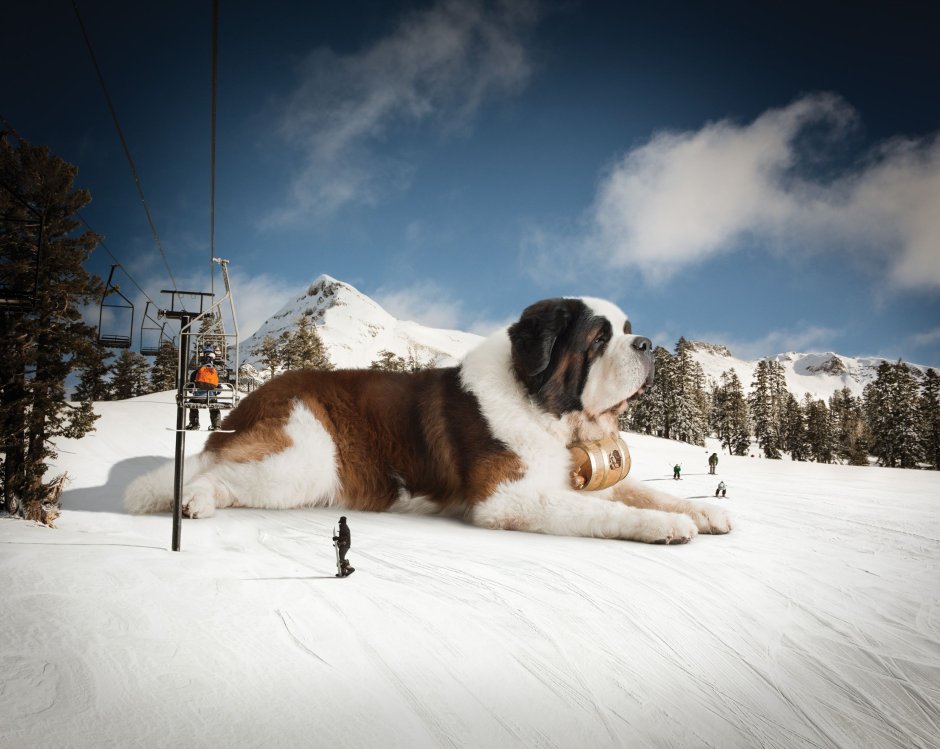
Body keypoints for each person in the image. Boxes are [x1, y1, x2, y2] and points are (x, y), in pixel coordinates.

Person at [187, 348, 222, 430]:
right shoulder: (214, 372)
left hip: (198, 398)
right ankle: (216, 425)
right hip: (211, 398)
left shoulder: (195, 372)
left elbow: (190, 388)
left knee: (192, 403)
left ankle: (194, 424)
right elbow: (218, 389)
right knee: (214, 406)